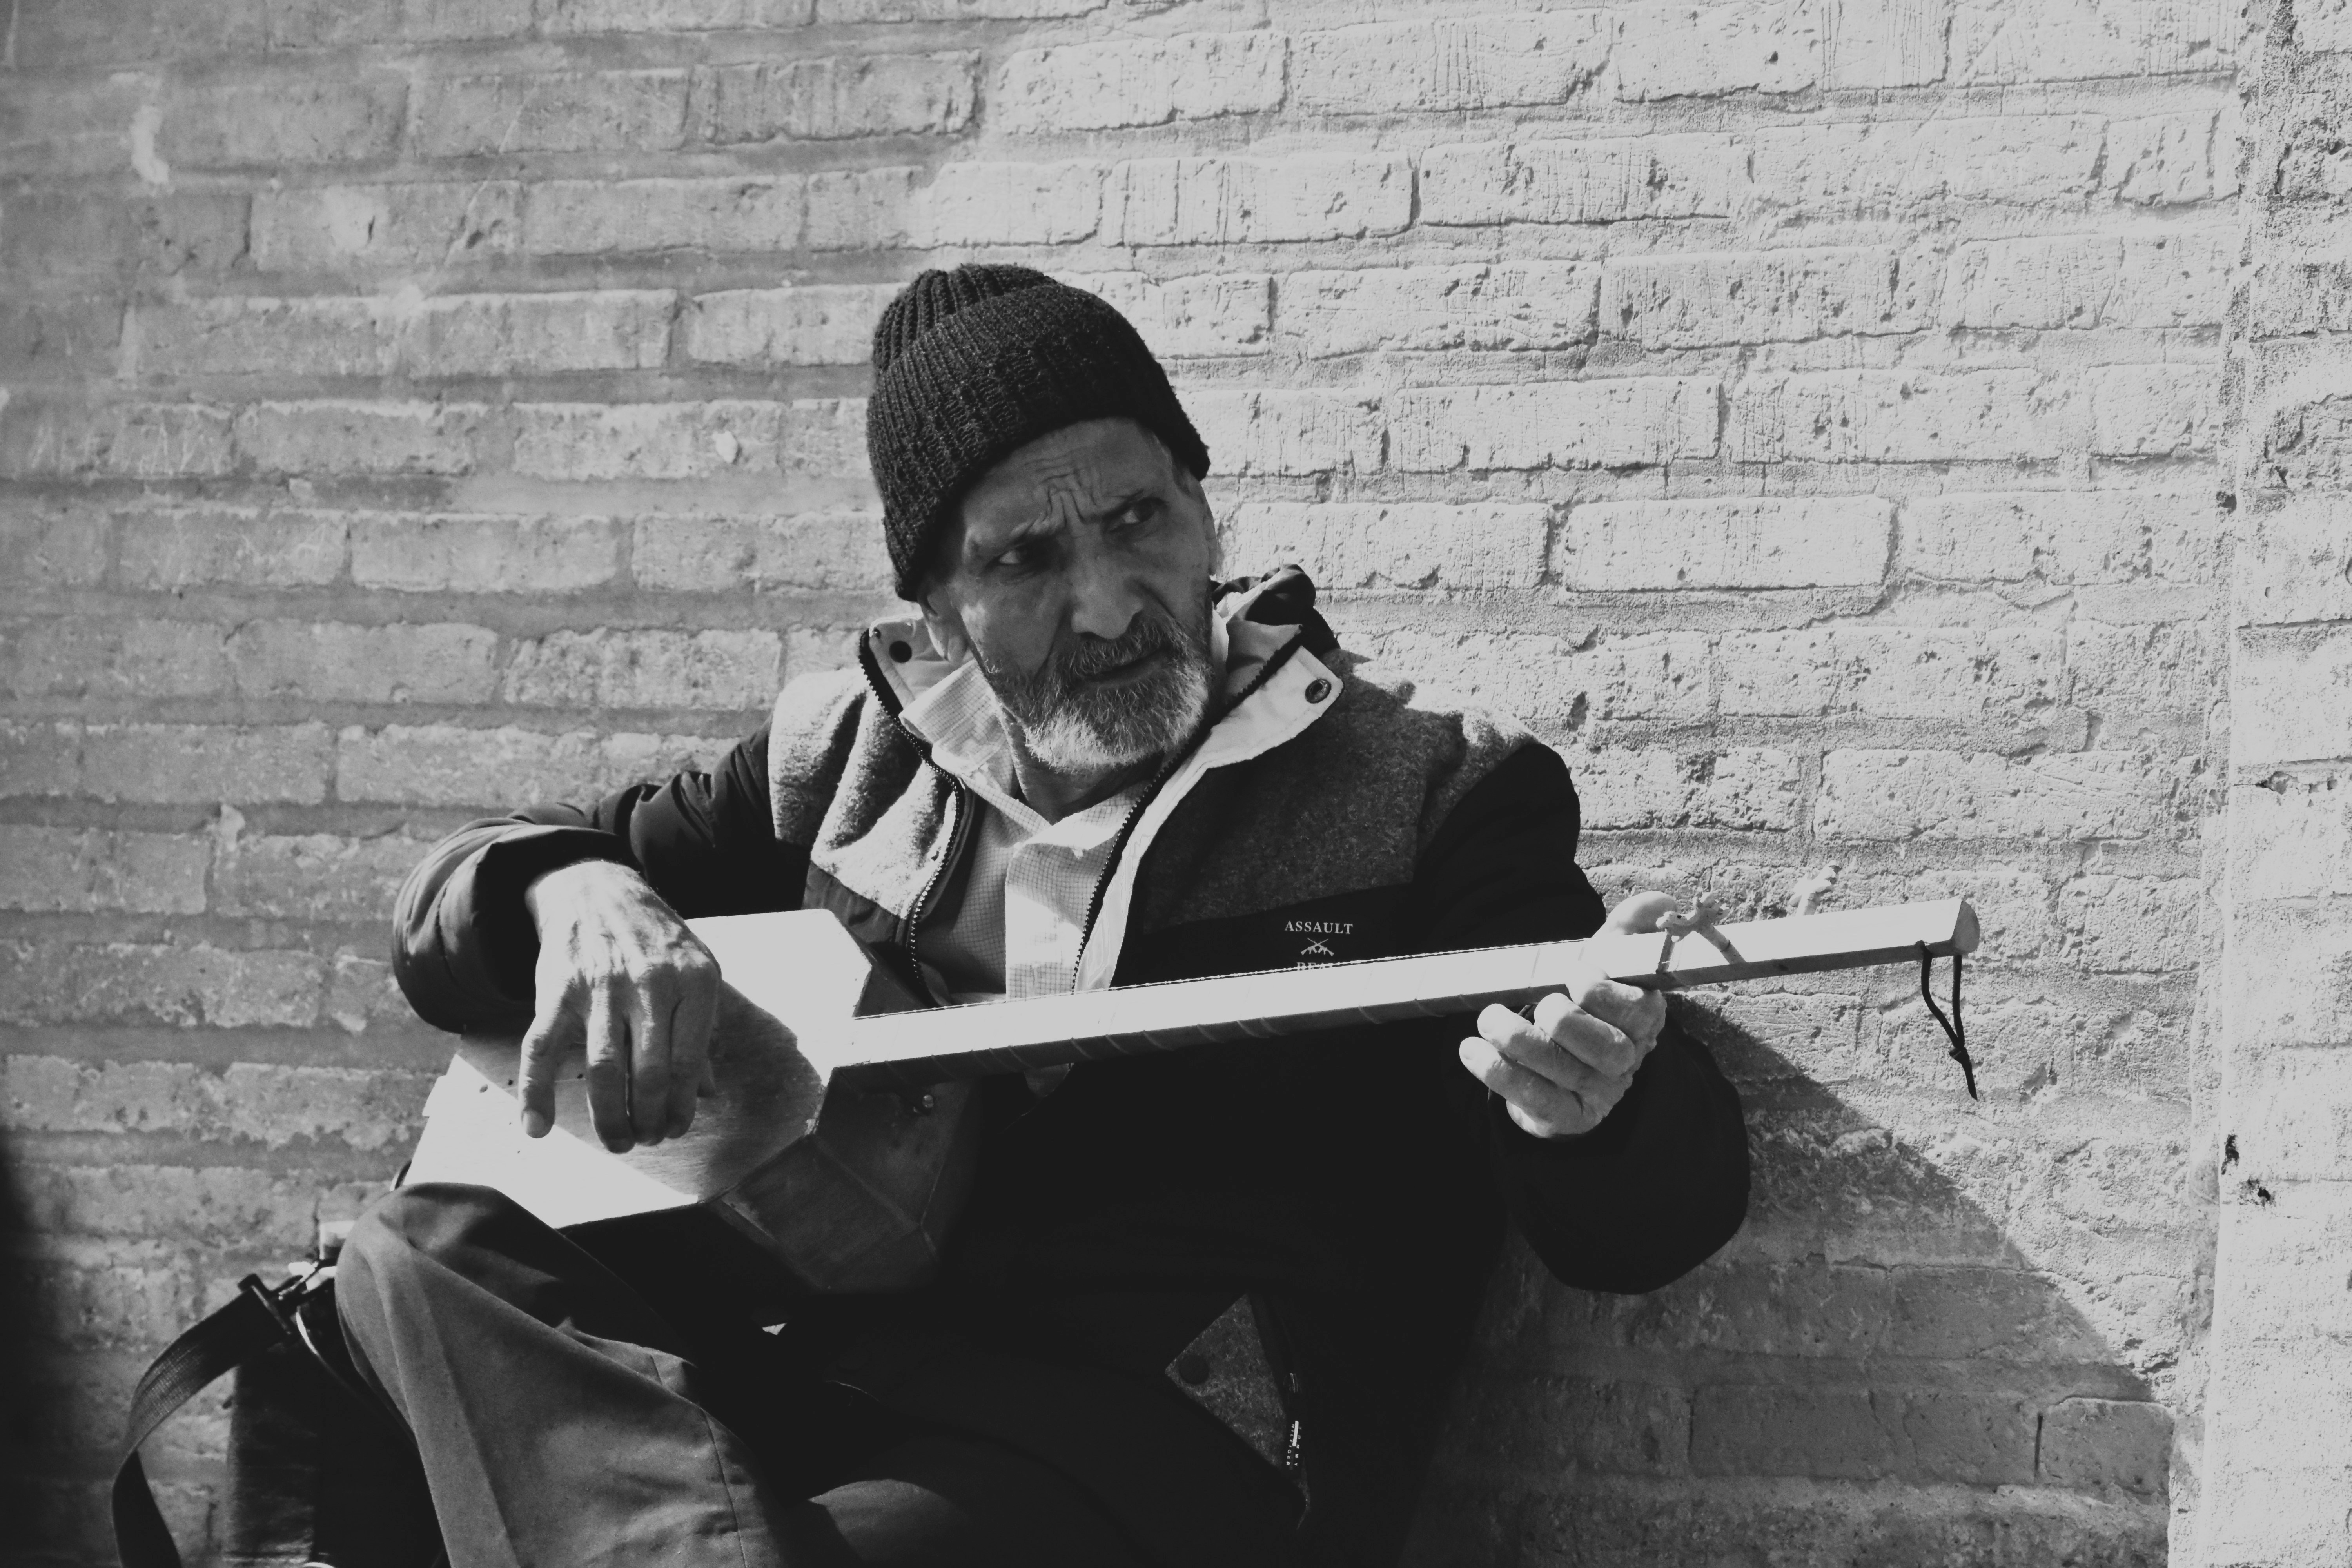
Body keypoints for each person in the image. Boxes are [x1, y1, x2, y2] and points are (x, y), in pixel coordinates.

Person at [341, 264, 1751, 1568]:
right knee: (413, 1251)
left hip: (1166, 1442)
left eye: (1139, 522)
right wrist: (572, 888)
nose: (1105, 604)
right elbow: (453, 917)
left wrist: (1596, 1104)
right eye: (1024, 561)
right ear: (938, 607)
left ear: (1204, 509)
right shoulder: (843, 761)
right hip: (823, 1386)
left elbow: (1640, 1222)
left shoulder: (1433, 791)